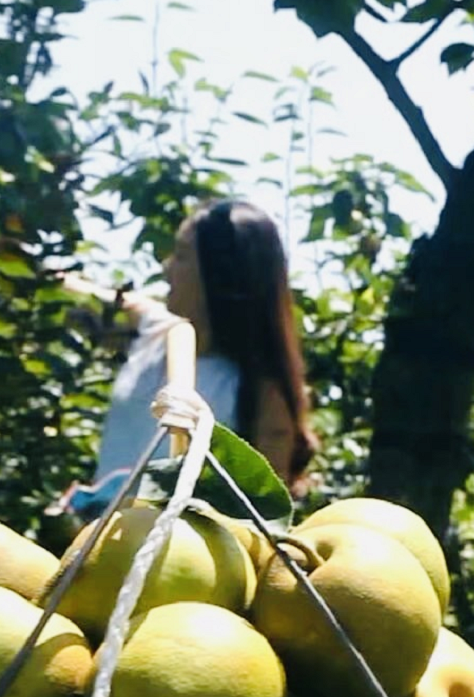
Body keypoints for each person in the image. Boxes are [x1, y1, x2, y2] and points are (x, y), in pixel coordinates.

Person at [58, 198, 317, 518]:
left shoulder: (258, 391)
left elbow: (265, 515)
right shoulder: (157, 330)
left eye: (181, 256)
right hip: (99, 547)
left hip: (180, 561)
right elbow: (73, 295)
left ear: (219, 273)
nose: (166, 268)